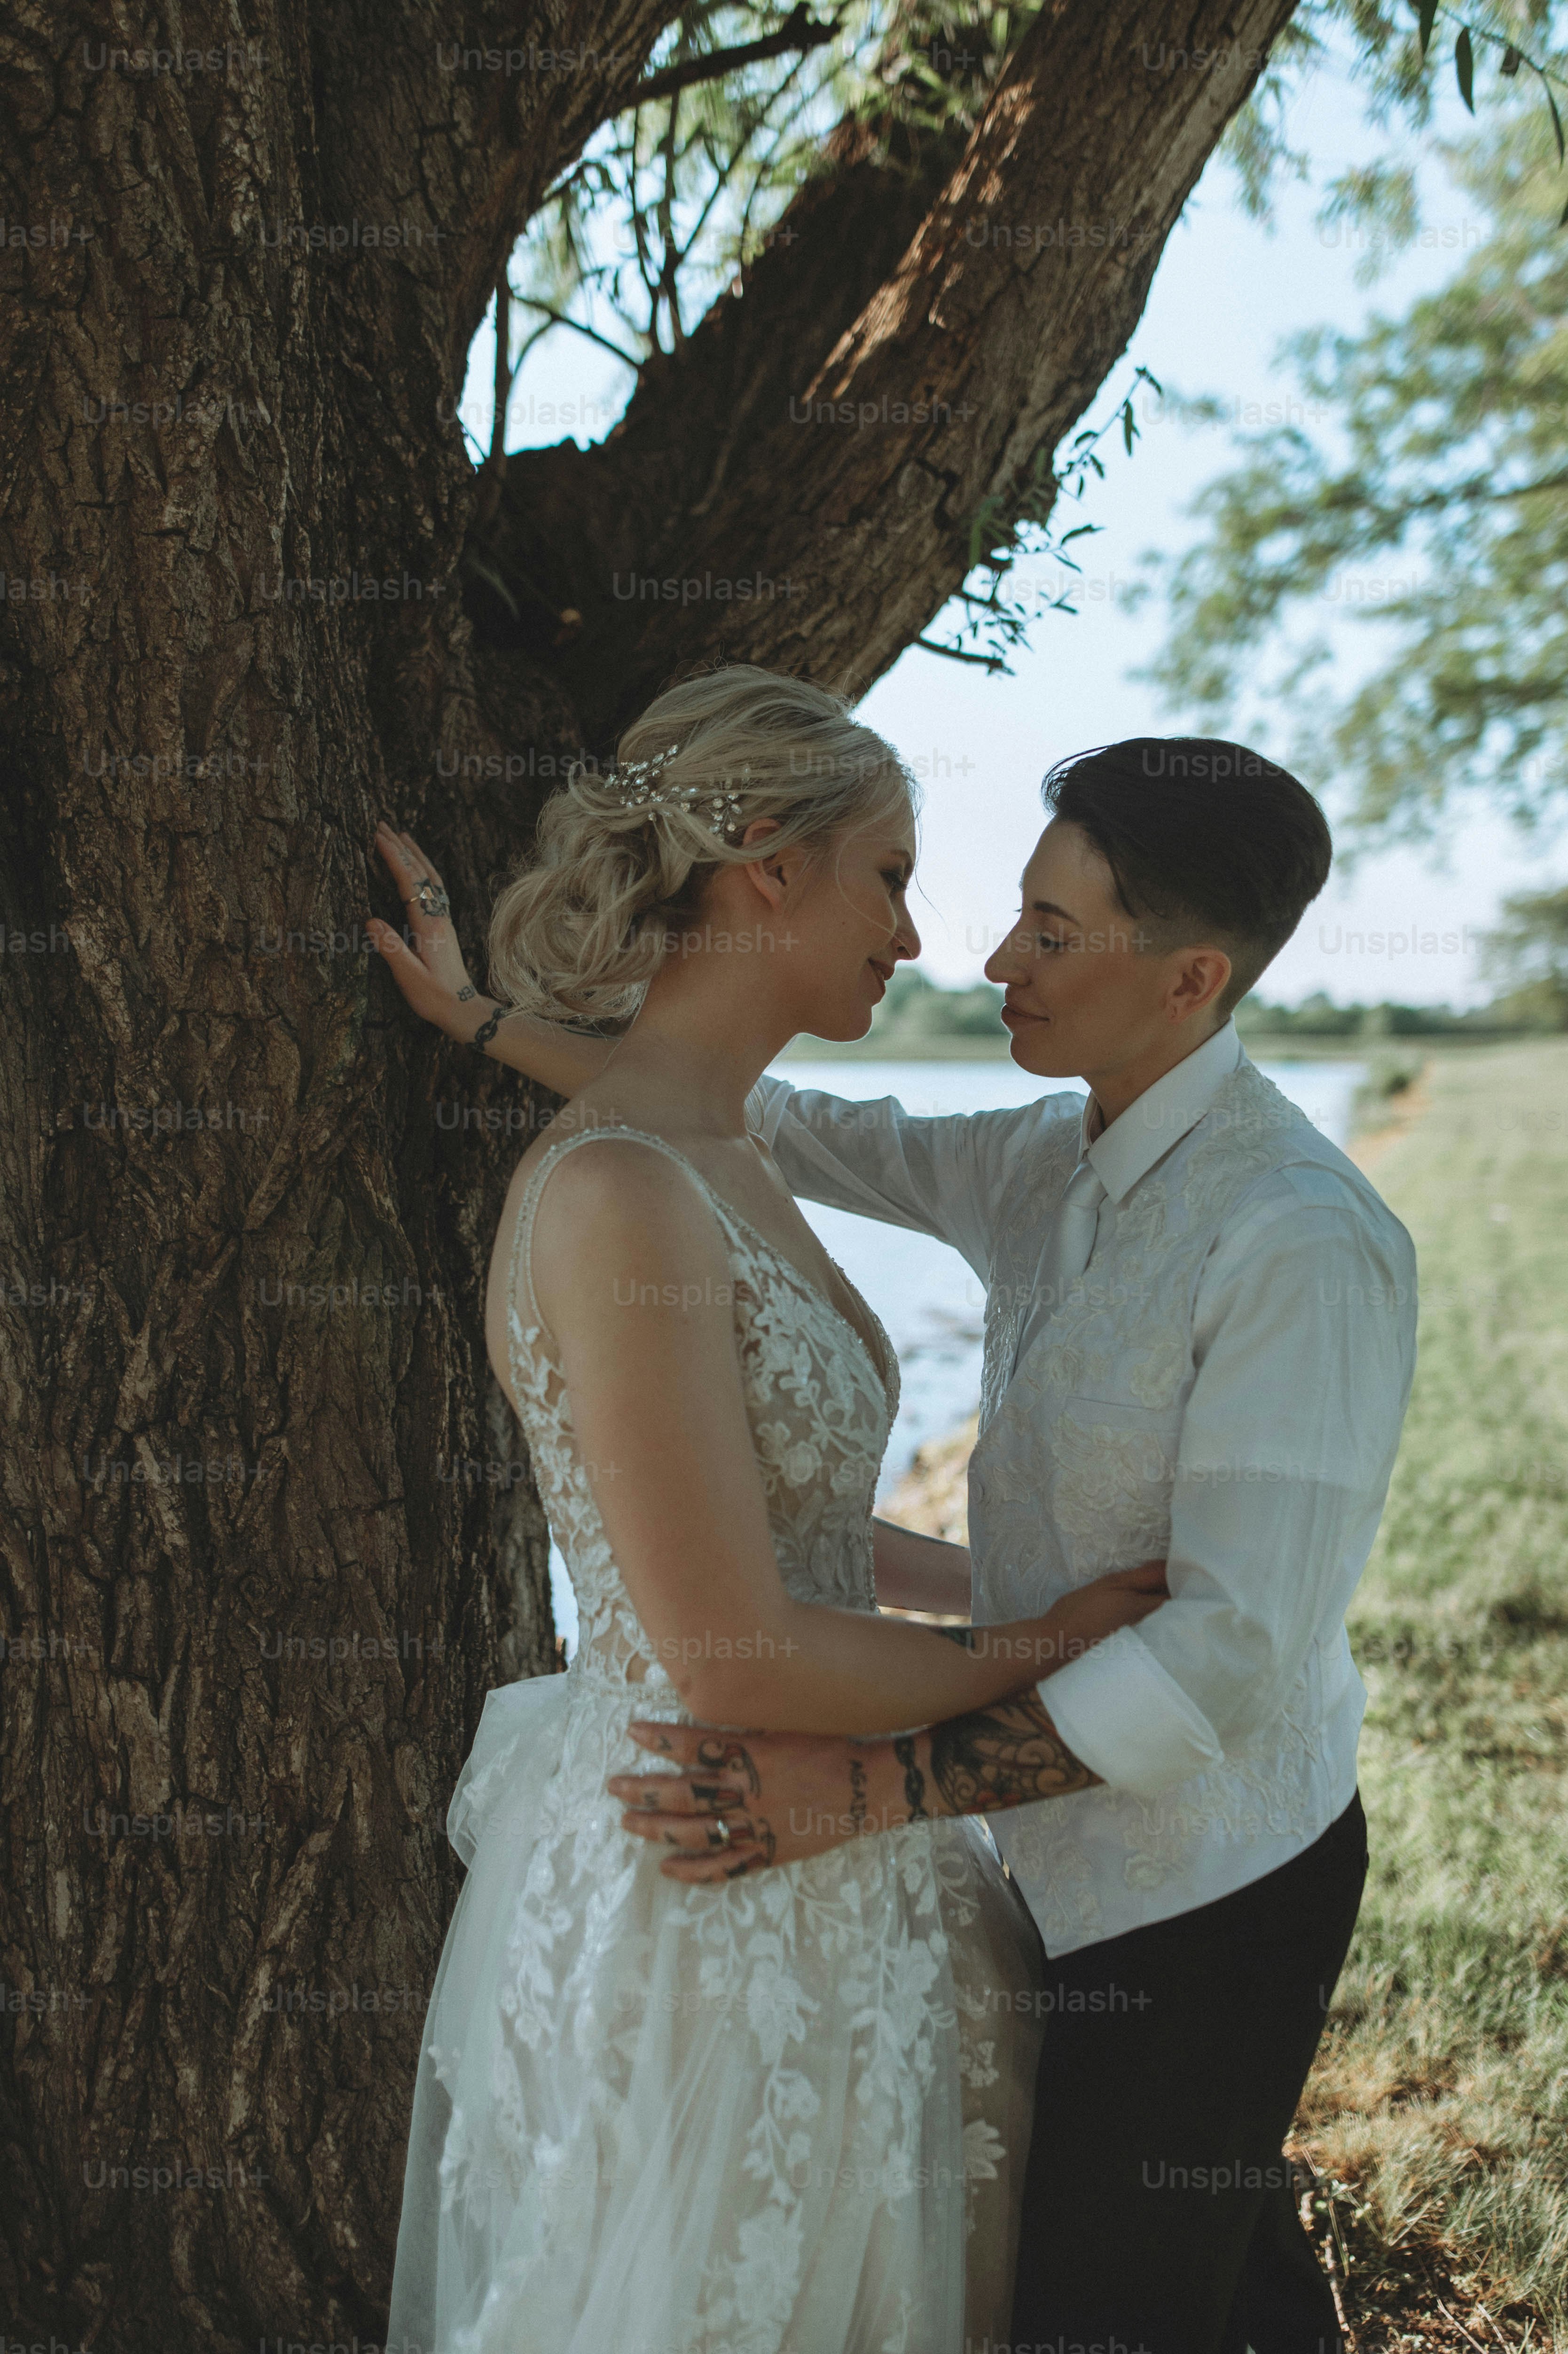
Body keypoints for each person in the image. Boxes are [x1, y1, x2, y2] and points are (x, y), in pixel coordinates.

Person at [383, 721, 1418, 2354]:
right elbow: (736, 1123)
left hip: (1211, 1873)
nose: (988, 955)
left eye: (1052, 936)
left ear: (1191, 978)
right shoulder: (1032, 1161)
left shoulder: (1302, 1240)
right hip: (995, 1839)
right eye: (994, 902)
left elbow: (1222, 1657)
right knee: (1135, 2267)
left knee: (1127, 2301)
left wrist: (886, 1783)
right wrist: (488, 1024)